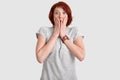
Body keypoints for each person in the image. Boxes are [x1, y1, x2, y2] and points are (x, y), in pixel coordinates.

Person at [35, 1, 85, 80]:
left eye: (64, 13)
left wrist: (63, 36)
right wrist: (55, 34)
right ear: (52, 16)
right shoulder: (44, 30)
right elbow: (40, 58)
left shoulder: (74, 31)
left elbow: (81, 56)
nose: (60, 16)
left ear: (68, 16)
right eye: (56, 13)